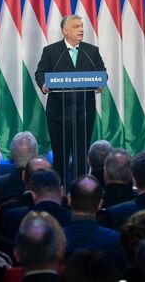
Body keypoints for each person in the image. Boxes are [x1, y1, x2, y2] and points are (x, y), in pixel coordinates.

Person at [35, 14, 106, 183]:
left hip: (84, 114)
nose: (81, 29)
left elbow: (102, 72)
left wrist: (101, 83)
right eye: (76, 27)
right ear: (65, 31)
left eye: (81, 26)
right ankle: (59, 188)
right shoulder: (51, 51)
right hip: (58, 115)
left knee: (81, 157)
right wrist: (44, 84)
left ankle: (81, 189)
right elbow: (40, 73)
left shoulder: (91, 51)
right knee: (60, 156)